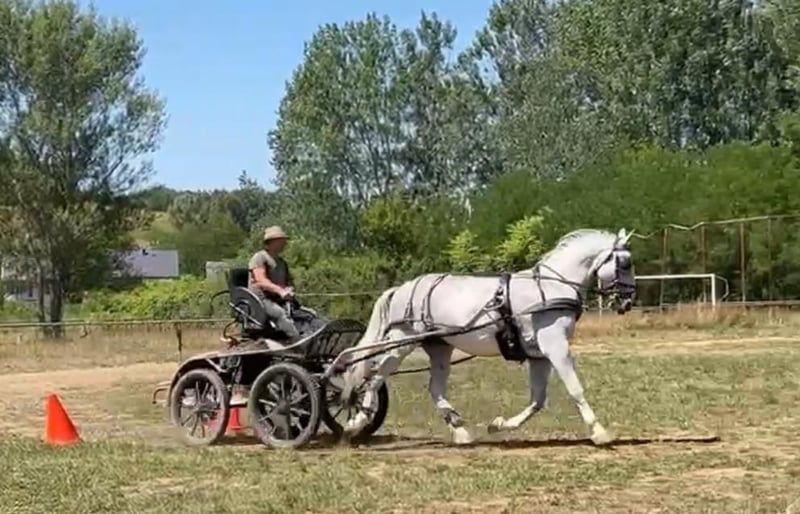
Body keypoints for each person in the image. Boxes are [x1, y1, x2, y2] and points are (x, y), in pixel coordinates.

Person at [248, 225, 301, 342]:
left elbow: (288, 282)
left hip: (278, 299)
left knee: (306, 314)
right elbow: (261, 280)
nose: (284, 243)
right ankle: (299, 343)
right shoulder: (260, 257)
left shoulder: (282, 262)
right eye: (281, 240)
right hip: (261, 300)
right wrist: (280, 291)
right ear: (272, 241)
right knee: (281, 314)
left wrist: (289, 290)